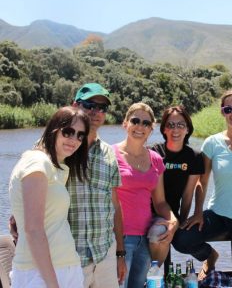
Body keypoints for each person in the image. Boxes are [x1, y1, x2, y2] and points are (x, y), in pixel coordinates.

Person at [9, 83, 127, 287]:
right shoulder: (53, 152)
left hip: (103, 254)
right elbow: (29, 194)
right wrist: (17, 218)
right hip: (67, 258)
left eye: (102, 108)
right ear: (75, 105)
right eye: (89, 105)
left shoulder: (109, 154)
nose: (95, 112)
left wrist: (119, 253)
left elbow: (114, 205)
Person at [172, 89, 232, 286]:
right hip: (218, 214)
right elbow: (201, 182)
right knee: (181, 240)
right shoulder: (212, 143)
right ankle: (210, 256)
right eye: (228, 109)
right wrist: (197, 213)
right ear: (222, 112)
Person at [9, 106, 90, 288]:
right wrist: (53, 284)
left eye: (80, 135)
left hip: (64, 268)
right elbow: (33, 230)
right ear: (54, 129)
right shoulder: (37, 162)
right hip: (40, 274)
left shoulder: (57, 168)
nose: (74, 139)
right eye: (68, 132)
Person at [112, 102, 179, 288]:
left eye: (146, 123)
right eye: (135, 120)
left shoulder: (155, 159)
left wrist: (173, 221)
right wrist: (117, 246)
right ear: (125, 123)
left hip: (147, 239)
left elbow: (160, 203)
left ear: (152, 128)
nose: (140, 126)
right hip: (119, 239)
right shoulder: (110, 155)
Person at [149, 105, 205, 265]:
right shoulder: (154, 152)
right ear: (164, 129)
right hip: (148, 213)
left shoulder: (194, 156)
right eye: (170, 125)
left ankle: (209, 256)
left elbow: (188, 195)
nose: (175, 129)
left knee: (176, 239)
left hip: (172, 214)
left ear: (187, 129)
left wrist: (181, 220)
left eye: (180, 125)